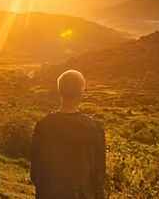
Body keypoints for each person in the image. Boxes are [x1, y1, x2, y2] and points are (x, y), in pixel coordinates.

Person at [31, 69, 106, 199]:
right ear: (81, 92)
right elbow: (99, 174)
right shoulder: (94, 128)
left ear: (60, 91)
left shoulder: (43, 125)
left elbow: (36, 172)